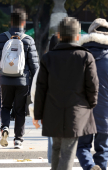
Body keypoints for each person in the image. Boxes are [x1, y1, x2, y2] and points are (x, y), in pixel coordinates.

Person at [34, 17, 99, 170]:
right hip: (76, 111)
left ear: (58, 35)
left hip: (52, 111)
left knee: (56, 148)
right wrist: (90, 104)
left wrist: (38, 114)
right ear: (77, 36)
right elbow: (93, 86)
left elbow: (41, 88)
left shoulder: (48, 58)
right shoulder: (85, 57)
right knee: (68, 151)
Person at [78, 18, 108, 170]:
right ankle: (100, 167)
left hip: (84, 107)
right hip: (106, 107)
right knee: (102, 147)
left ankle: (89, 166)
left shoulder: (80, 56)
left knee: (82, 146)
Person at [0, 8, 39, 149]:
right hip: (22, 81)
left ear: (11, 22)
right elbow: (34, 66)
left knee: (5, 106)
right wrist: (36, 84)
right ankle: (18, 140)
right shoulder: (28, 40)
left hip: (4, 80)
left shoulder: (2, 38)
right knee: (20, 109)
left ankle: (4, 128)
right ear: (24, 22)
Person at [29, 34, 59, 164]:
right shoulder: (74, 61)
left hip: (49, 110)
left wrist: (35, 113)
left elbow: (35, 91)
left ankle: (54, 164)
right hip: (70, 110)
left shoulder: (45, 63)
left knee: (52, 141)